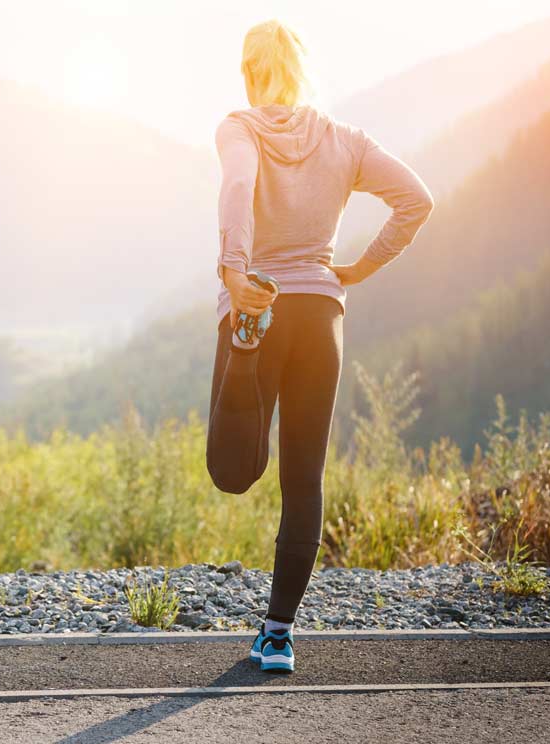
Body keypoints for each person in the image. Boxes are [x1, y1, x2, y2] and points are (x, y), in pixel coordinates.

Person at [206, 19, 434, 673]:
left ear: (249, 72)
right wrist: (358, 269)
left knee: (232, 471)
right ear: (302, 71)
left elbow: (236, 188)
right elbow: (415, 200)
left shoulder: (238, 127)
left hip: (259, 304)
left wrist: (236, 269)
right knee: (304, 481)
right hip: (322, 316)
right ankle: (277, 635)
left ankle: (246, 347)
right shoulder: (346, 141)